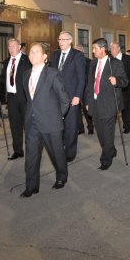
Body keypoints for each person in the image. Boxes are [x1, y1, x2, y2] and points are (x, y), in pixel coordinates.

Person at [19, 42, 70, 198]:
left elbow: (64, 100)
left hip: (51, 122)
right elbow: (29, 99)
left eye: (36, 52)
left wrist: (57, 117)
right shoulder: (25, 74)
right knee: (31, 155)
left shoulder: (52, 74)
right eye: (31, 52)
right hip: (31, 122)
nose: (32, 54)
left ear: (44, 56)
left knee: (56, 153)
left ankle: (61, 176)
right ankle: (31, 185)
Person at [85, 38, 128, 170]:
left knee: (108, 133)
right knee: (101, 133)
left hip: (109, 104)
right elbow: (89, 84)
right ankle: (111, 149)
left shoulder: (115, 63)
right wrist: (87, 101)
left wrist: (117, 81)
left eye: (95, 49)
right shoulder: (93, 63)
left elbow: (125, 81)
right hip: (95, 102)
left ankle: (106, 160)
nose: (92, 51)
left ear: (103, 49)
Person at [51, 31, 86, 162]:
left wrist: (78, 96)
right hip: (56, 97)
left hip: (72, 97)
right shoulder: (55, 54)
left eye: (63, 39)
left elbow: (81, 78)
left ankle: (70, 152)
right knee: (58, 124)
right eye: (59, 39)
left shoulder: (77, 55)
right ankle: (60, 148)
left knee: (71, 125)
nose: (60, 42)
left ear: (70, 41)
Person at [0, 39, 31, 160]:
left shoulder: (27, 60)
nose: (11, 49)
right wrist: (0, 97)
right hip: (11, 98)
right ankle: (18, 150)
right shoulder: (7, 61)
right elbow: (3, 80)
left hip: (24, 97)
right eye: (9, 46)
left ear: (19, 47)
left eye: (13, 46)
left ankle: (31, 150)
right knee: (14, 125)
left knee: (28, 125)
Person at [110, 42, 130, 134]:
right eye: (111, 48)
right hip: (113, 89)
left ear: (118, 49)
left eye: (113, 48)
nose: (111, 50)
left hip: (125, 88)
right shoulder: (109, 60)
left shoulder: (128, 59)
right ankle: (111, 126)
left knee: (125, 108)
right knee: (113, 108)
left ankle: (127, 125)